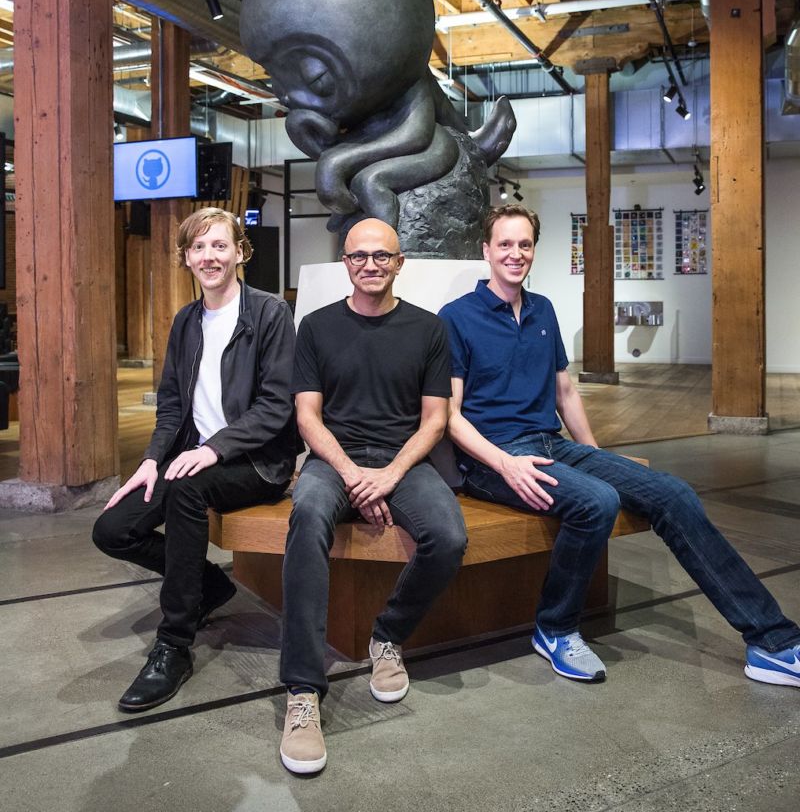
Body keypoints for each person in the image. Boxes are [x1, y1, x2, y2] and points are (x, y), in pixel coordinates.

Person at [439, 204, 800, 687]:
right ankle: (556, 627)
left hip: (551, 443)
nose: (515, 254)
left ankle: (771, 641)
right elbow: (449, 415)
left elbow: (564, 392)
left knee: (673, 493)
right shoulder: (456, 318)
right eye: (505, 244)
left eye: (524, 244)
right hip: (494, 456)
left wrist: (597, 454)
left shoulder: (543, 309)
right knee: (597, 501)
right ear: (486, 250)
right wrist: (505, 464)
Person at [279, 218, 467, 775]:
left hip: (402, 459)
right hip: (334, 458)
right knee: (308, 514)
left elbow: (435, 420)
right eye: (359, 256)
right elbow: (307, 416)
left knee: (449, 535)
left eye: (381, 256)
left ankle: (388, 634)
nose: (370, 264)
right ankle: (303, 691)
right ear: (346, 263)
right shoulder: (314, 326)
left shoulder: (429, 330)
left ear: (399, 263)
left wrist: (388, 474)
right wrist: (353, 474)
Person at [93, 208, 298, 711]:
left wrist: (213, 450)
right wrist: (151, 459)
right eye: (199, 248)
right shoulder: (186, 320)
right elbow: (170, 403)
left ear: (239, 252)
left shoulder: (270, 314)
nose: (210, 256)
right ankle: (207, 584)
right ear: (186, 258)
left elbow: (276, 405)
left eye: (219, 246)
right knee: (113, 530)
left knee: (187, 489)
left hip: (254, 461)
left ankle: (174, 645)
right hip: (191, 455)